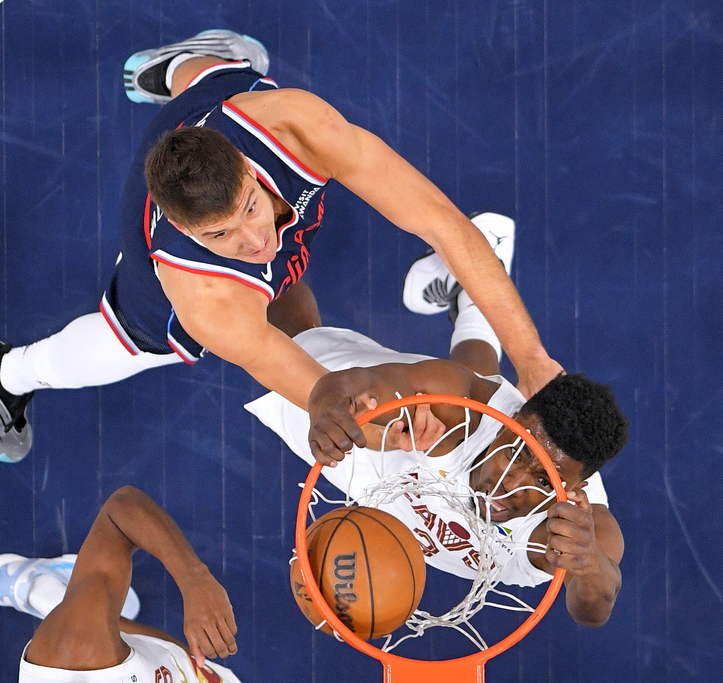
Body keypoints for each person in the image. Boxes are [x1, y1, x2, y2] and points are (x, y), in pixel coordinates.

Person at [0, 29, 561, 463]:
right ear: (187, 233)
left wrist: (531, 359)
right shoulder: (202, 296)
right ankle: (2, 373)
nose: (254, 240)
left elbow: (449, 227)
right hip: (169, 266)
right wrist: (382, 434)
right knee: (142, 338)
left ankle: (192, 63)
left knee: (232, 83)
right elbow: (316, 389)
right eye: (221, 235)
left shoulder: (293, 125)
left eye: (249, 209)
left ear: (247, 169)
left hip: (207, 116)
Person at [246, 222, 629, 627]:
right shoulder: (457, 407)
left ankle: (471, 287)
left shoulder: (575, 530)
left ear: (573, 488)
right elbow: (362, 383)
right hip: (387, 448)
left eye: (542, 477)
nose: (512, 482)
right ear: (511, 420)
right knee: (284, 339)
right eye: (516, 452)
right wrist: (329, 406)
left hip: (421, 470)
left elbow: (594, 608)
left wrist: (587, 566)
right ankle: (254, 242)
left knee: (476, 375)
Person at [0, 485, 241, 681]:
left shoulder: (75, 654)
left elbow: (119, 514)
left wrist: (195, 579)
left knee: (94, 620)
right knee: (178, 663)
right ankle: (60, 598)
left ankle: (41, 589)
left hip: (82, 646)